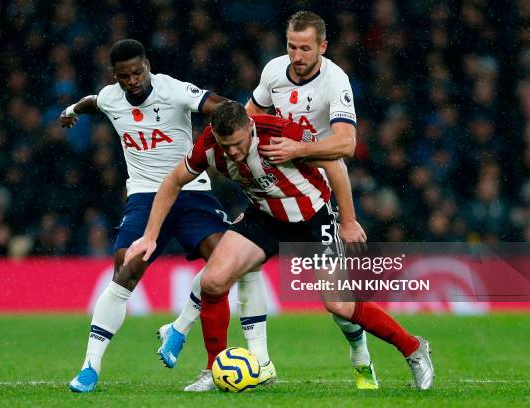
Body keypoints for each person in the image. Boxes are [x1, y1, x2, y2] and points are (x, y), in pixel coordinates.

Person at [126, 101, 435, 390]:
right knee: (213, 282)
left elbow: (336, 166)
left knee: (338, 304)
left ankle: (413, 347)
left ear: (249, 126)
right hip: (266, 217)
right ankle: (213, 369)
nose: (232, 152)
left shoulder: (279, 135)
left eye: (238, 143)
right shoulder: (210, 145)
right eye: (226, 145)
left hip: (313, 218)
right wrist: (150, 235)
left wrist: (349, 221)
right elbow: (172, 182)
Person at [164, 10, 379, 390]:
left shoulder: (336, 80)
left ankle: (361, 354)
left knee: (339, 307)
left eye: (305, 48)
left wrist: (300, 148)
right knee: (226, 272)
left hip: (318, 183)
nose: (297, 55)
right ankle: (246, 364)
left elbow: (345, 147)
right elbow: (249, 120)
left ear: (323, 48)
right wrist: (246, 164)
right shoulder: (273, 72)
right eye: (292, 46)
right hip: (275, 183)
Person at [62, 39, 276, 393]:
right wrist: (71, 110)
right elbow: (92, 103)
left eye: (137, 72)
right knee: (125, 268)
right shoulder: (110, 97)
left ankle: (226, 360)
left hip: (191, 190)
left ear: (147, 65)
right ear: (114, 76)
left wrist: (251, 124)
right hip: (146, 196)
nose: (132, 80)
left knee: (236, 263)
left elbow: (221, 106)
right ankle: (90, 366)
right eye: (124, 76)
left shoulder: (173, 90)